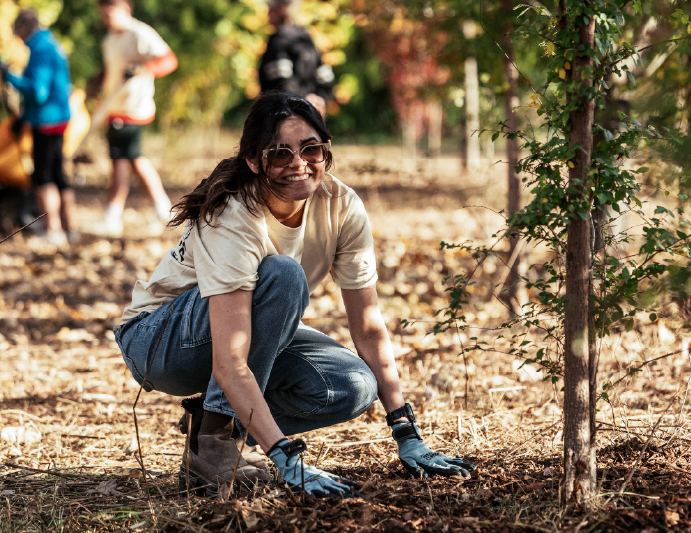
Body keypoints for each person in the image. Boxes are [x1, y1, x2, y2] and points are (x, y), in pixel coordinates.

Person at [114, 92, 474, 498]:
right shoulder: (233, 216)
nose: (299, 163)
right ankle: (214, 442)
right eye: (280, 153)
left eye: (311, 149)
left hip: (237, 332)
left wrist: (406, 431)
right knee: (283, 275)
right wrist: (285, 458)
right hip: (160, 343)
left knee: (353, 385)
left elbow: (369, 328)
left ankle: (214, 432)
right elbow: (230, 362)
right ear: (253, 160)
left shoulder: (342, 207)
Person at [91, 0, 177, 236]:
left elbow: (168, 61)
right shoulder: (109, 39)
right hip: (115, 107)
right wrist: (98, 80)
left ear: (125, 10)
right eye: (103, 14)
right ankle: (163, 209)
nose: (106, 18)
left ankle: (113, 215)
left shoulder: (140, 34)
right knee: (135, 160)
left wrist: (144, 68)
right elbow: (113, 69)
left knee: (119, 160)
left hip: (134, 108)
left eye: (111, 13)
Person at [1, 9, 75, 246]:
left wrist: (9, 76)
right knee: (59, 174)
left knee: (43, 176)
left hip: (46, 120)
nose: (19, 39)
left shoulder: (40, 49)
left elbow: (38, 92)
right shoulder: (53, 44)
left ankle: (53, 230)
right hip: (60, 117)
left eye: (18, 33)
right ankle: (69, 228)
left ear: (24, 27)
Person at [258, 0, 333, 116]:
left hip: (281, 117)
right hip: (311, 117)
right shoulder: (306, 38)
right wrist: (315, 102)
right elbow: (326, 80)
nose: (267, 15)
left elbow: (281, 84)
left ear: (281, 10)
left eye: (270, 10)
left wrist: (301, 101)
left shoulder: (279, 41)